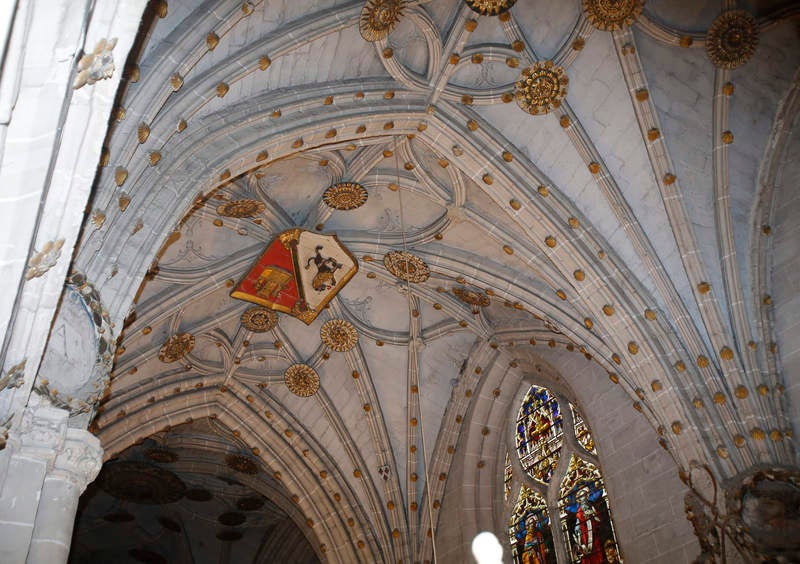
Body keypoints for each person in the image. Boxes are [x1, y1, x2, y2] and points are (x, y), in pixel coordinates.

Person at [571, 487, 603, 564]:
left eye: (585, 495)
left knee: (597, 549)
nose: (583, 498)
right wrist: (577, 530)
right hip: (585, 537)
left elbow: (599, 520)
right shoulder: (579, 511)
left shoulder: (592, 506)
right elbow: (577, 525)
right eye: (581, 497)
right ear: (579, 500)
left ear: (587, 496)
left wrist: (593, 514)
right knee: (587, 555)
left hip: (594, 534)